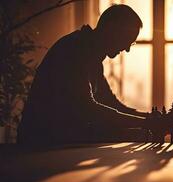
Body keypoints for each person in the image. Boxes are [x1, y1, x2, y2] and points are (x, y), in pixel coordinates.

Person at [18, 4, 151, 145]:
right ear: (111, 29)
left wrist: (148, 118)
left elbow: (110, 103)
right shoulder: (74, 50)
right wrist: (146, 122)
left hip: (53, 142)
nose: (127, 49)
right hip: (39, 145)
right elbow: (87, 108)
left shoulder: (89, 52)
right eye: (127, 39)